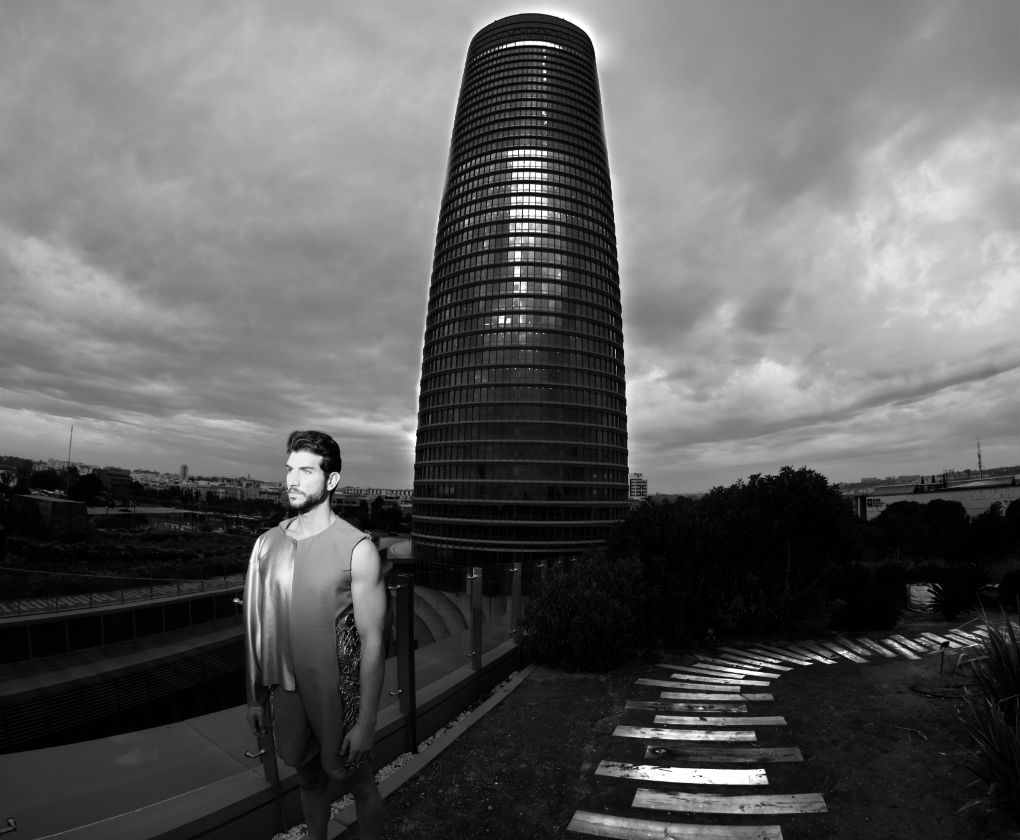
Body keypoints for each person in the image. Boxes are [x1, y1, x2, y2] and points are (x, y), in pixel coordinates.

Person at [244, 430, 386, 840]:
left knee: (360, 784)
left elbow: (373, 641)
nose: (292, 479)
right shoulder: (266, 545)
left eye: (306, 471)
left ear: (332, 480)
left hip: (338, 695)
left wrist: (366, 722)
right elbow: (255, 627)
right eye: (290, 469)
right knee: (308, 781)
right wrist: (255, 698)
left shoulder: (357, 549)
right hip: (287, 694)